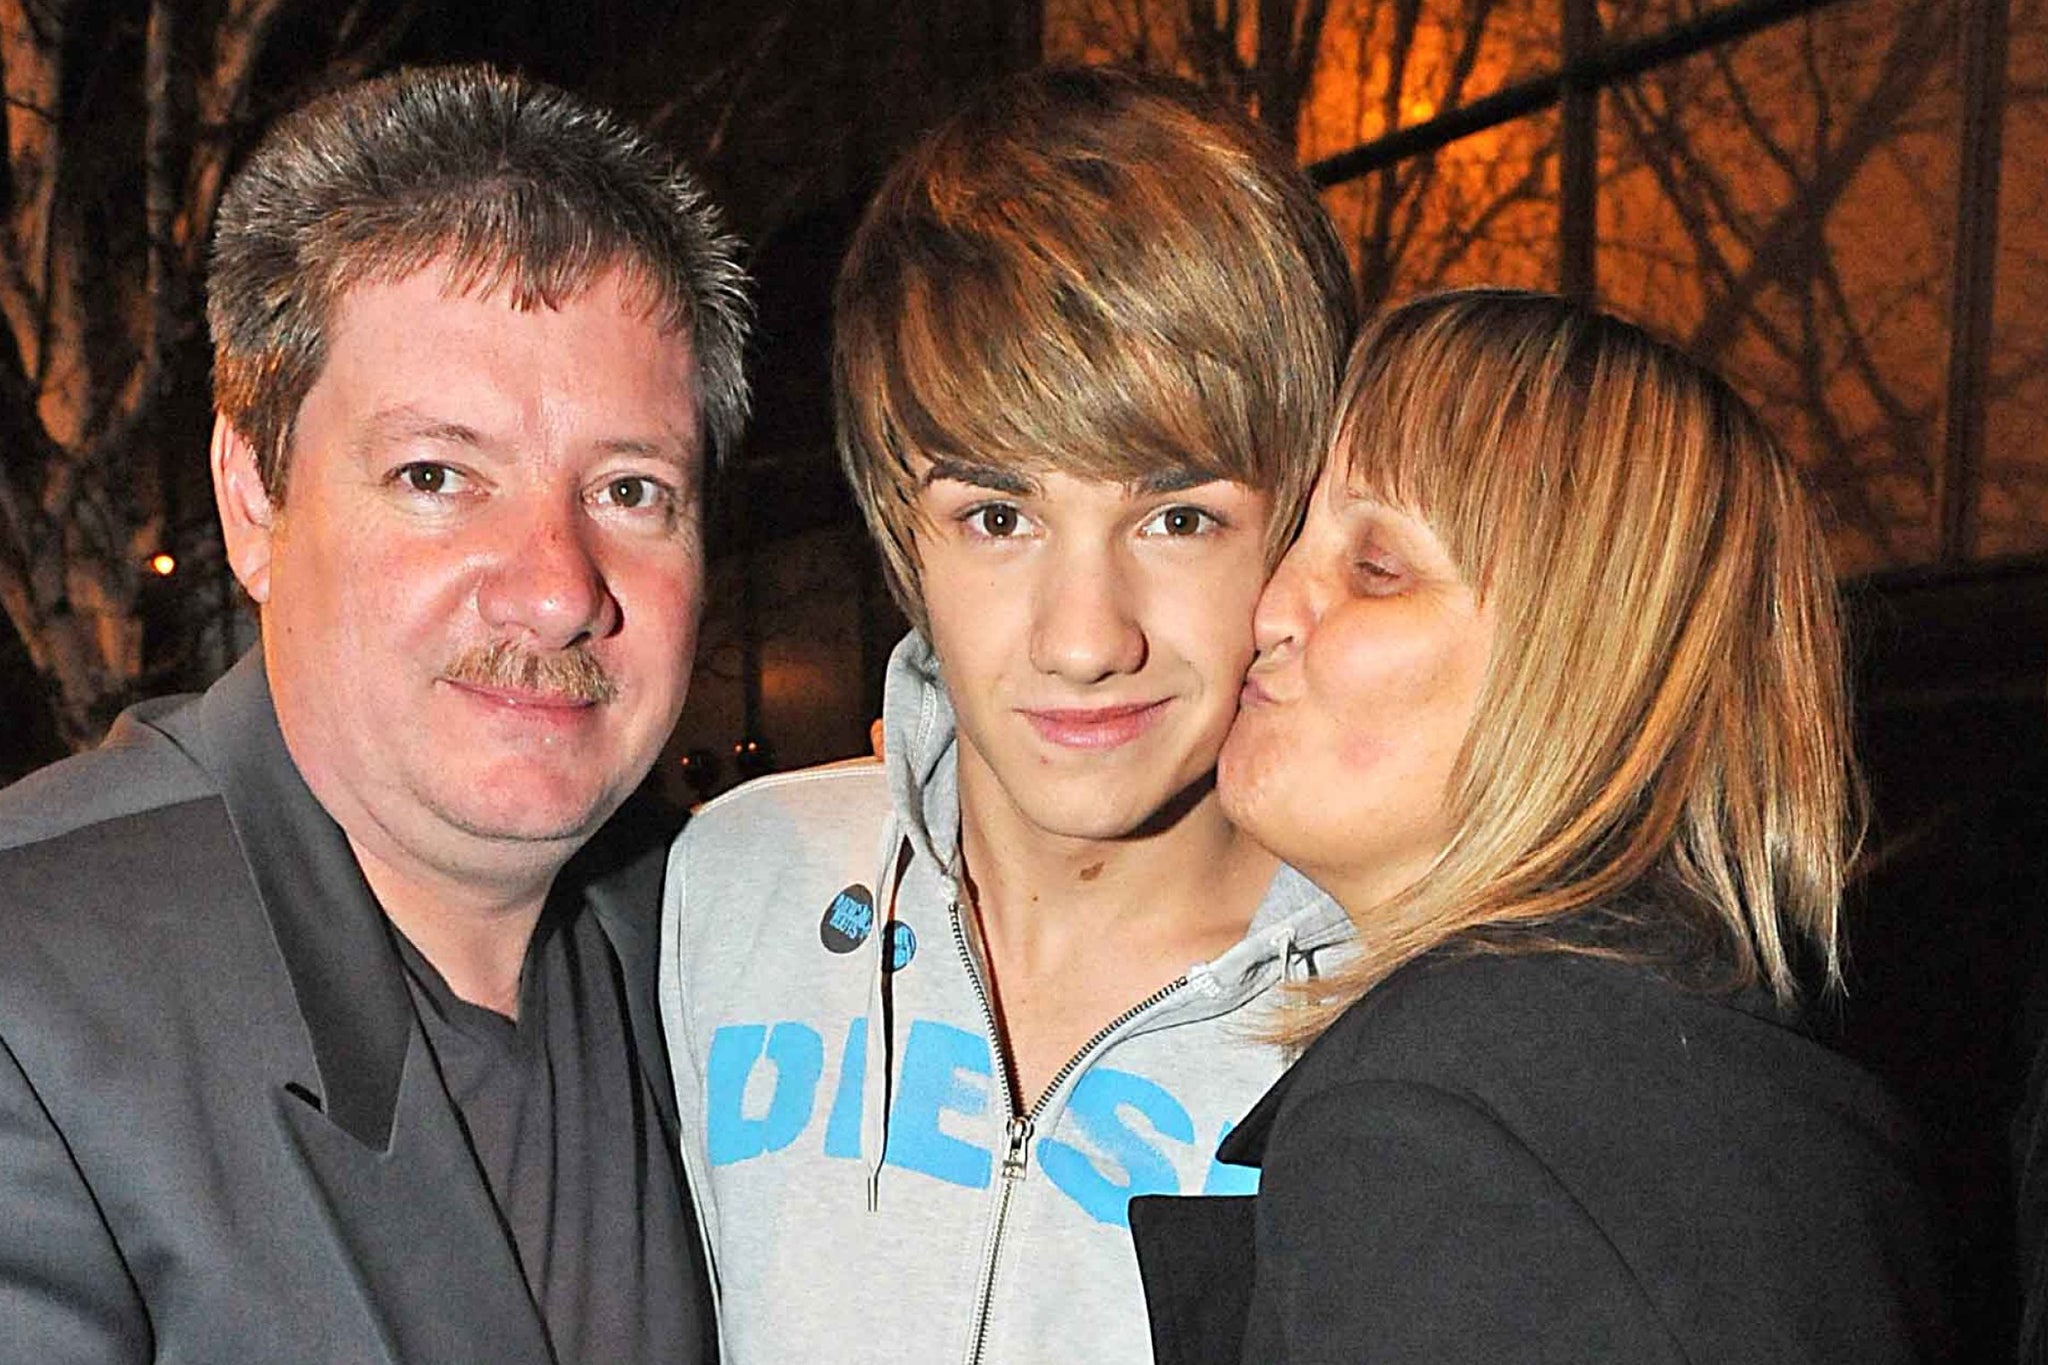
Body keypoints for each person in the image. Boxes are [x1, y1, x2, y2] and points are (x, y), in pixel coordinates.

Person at [0, 65, 749, 1364]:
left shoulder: (731, 956)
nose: (556, 590)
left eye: (630, 491)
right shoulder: (32, 1001)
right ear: (253, 499)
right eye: (438, 474)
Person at [659, 66, 1355, 1365]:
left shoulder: (1403, 1015)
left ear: (1296, 524)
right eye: (998, 517)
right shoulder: (732, 894)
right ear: (898, 532)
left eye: (1177, 517)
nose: (1086, 638)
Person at [1130, 288, 1951, 1364]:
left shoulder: (1447, 1120)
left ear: (1577, 673)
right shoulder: (1689, 1082)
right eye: (1293, 542)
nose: (1271, 609)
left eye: (1374, 568)